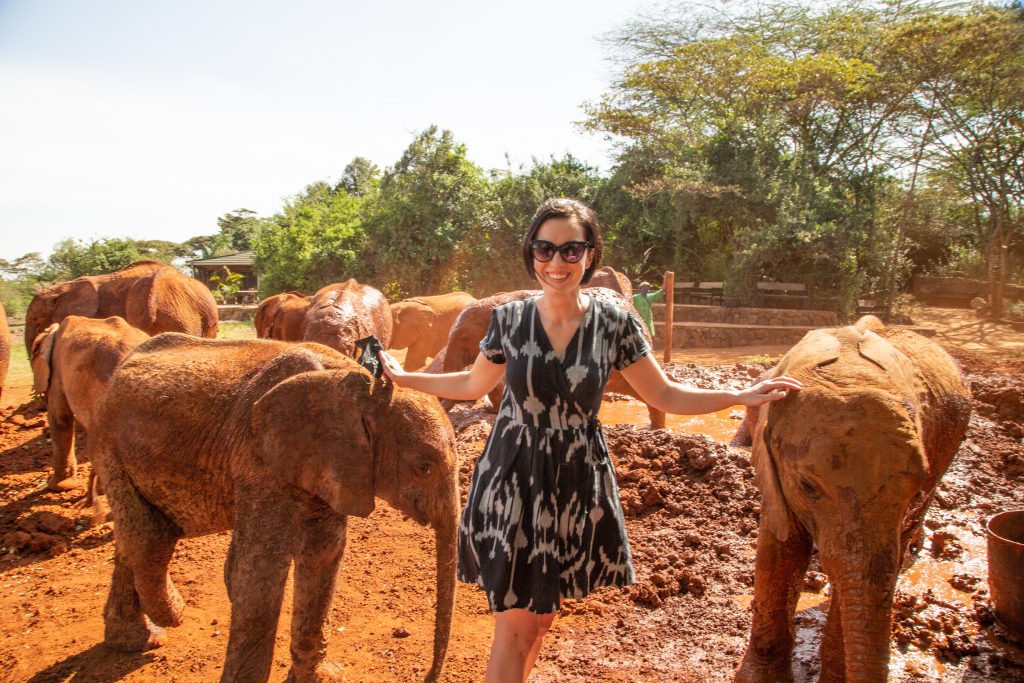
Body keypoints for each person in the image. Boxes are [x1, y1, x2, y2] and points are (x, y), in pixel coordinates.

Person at [378, 198, 801, 682]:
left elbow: (664, 393)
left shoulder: (613, 323)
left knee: (540, 621)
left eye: (570, 250)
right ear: (531, 254)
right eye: (544, 249)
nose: (556, 262)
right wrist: (408, 378)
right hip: (514, 478)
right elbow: (471, 385)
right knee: (514, 630)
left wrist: (740, 394)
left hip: (577, 478)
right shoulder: (510, 320)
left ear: (590, 254)